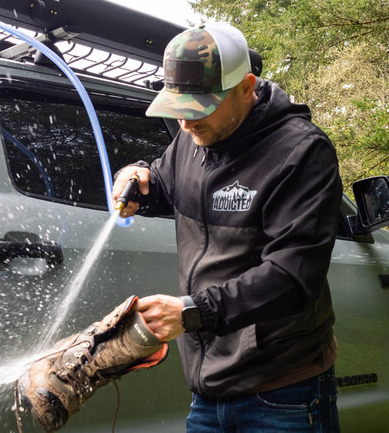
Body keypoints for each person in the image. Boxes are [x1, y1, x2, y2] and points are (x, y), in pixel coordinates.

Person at [112, 23, 343, 432]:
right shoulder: (193, 138)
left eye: (200, 108)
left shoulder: (300, 153)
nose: (186, 124)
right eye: (179, 108)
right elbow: (165, 182)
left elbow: (292, 277)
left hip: (282, 393)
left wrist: (191, 311)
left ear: (246, 88)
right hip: (208, 395)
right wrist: (140, 180)